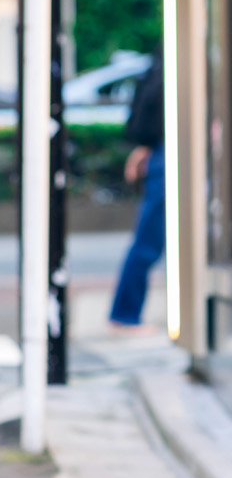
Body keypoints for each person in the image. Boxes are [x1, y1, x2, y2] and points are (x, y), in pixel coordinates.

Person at [109, 50, 164, 329]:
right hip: (170, 153)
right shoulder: (177, 53)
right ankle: (124, 314)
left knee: (148, 241)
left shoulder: (164, 56)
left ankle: (124, 314)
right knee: (148, 241)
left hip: (163, 151)